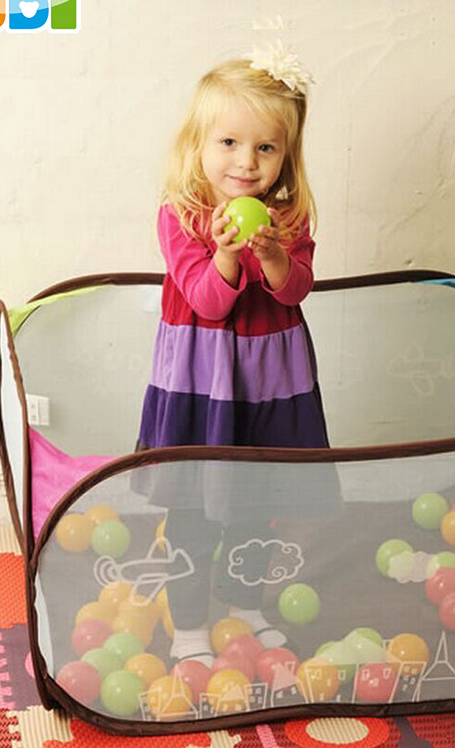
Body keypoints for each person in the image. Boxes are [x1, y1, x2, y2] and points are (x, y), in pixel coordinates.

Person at [135, 48, 331, 667]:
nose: (246, 162)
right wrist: (225, 253)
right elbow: (207, 301)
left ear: (286, 157)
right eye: (228, 142)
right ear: (197, 145)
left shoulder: (289, 217)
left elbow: (296, 291)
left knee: (257, 503)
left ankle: (245, 605)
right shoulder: (181, 215)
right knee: (192, 509)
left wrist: (272, 254)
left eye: (265, 148)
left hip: (268, 383)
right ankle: (190, 624)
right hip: (202, 384)